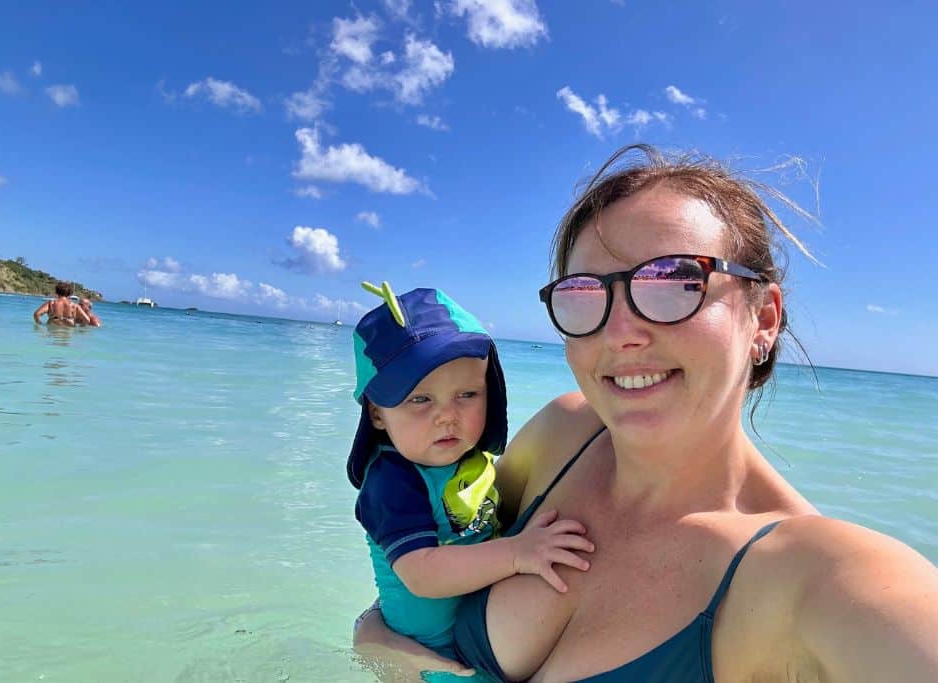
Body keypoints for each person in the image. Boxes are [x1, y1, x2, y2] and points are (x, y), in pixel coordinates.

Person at [353, 145, 938, 682]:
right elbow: (435, 553)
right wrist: (377, 639)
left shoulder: (816, 577)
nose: (621, 333)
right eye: (584, 293)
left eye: (674, 280)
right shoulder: (564, 433)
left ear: (763, 319)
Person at [349, 282, 594, 667]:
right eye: (420, 399)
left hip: (471, 636)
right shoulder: (392, 482)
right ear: (377, 413)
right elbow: (422, 574)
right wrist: (517, 553)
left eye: (467, 395)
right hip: (429, 656)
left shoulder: (469, 461)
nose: (447, 415)